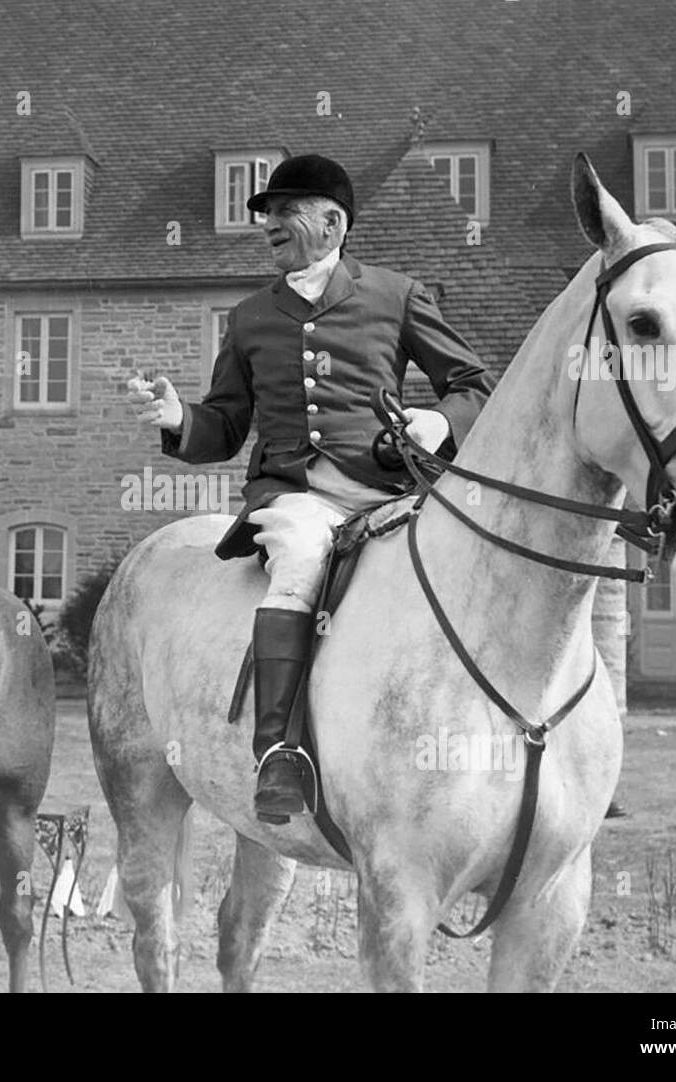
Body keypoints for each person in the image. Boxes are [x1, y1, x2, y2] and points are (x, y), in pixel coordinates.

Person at [127, 154, 494, 822]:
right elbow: (226, 425)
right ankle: (278, 753)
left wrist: (439, 421)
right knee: (297, 559)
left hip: (391, 491)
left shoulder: (396, 295)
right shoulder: (247, 319)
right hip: (295, 497)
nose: (267, 223)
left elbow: (473, 384)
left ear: (331, 223)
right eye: (264, 214)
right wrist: (182, 419)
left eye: (281, 211)